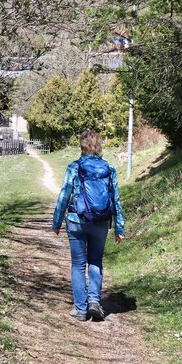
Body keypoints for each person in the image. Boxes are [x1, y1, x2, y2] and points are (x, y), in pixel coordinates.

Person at [51, 130, 125, 321]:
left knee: (78, 264)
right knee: (95, 262)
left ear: (81, 146)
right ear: (99, 145)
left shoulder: (74, 167)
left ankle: (81, 309)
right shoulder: (109, 168)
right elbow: (115, 199)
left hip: (76, 221)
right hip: (100, 223)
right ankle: (94, 301)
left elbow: (64, 195)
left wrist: (57, 221)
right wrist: (119, 227)